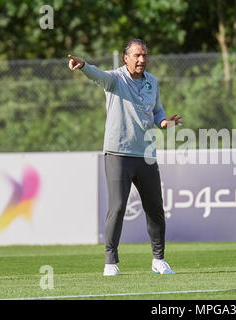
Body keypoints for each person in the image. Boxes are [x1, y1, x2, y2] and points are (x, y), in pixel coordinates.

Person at [68, 39, 181, 276]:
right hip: (118, 153)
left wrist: (163, 122)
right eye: (137, 55)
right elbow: (98, 76)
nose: (142, 60)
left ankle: (158, 260)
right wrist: (84, 65)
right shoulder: (116, 79)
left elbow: (157, 110)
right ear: (125, 58)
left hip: (146, 154)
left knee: (155, 208)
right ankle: (110, 262)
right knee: (118, 207)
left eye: (144, 55)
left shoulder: (152, 82)